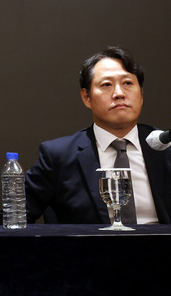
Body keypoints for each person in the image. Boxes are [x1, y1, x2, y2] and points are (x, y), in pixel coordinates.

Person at [26, 47, 171, 224]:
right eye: (107, 85)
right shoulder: (57, 156)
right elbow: (14, 218)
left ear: (141, 94)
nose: (119, 93)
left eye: (128, 83)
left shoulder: (165, 147)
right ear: (86, 97)